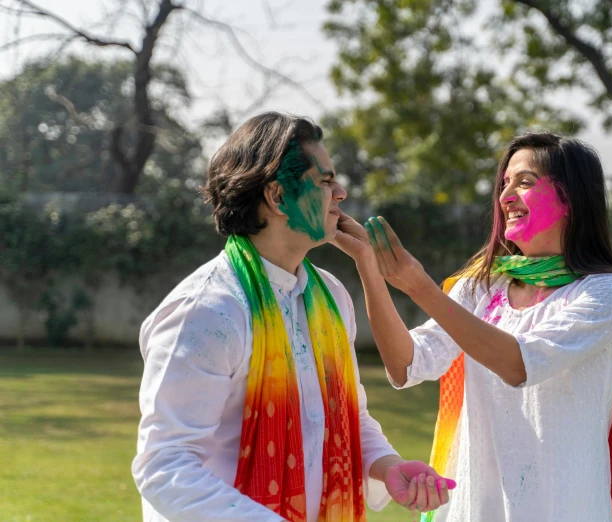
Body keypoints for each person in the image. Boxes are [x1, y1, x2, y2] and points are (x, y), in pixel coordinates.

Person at [132, 111, 454, 522]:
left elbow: (348, 415)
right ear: (278, 197)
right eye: (324, 181)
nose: (339, 193)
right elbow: (165, 469)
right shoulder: (208, 311)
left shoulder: (331, 296)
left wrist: (387, 466)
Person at [331, 133, 612, 522]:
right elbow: (406, 365)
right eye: (504, 184)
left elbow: (519, 365)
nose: (505, 197)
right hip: (475, 508)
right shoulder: (480, 287)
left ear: (571, 199)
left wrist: (419, 286)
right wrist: (369, 265)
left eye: (524, 182)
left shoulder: (606, 293)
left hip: (562, 508)